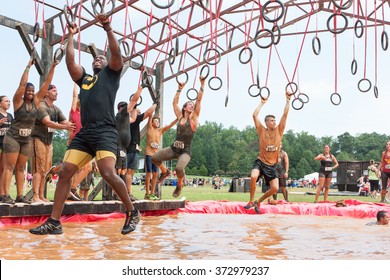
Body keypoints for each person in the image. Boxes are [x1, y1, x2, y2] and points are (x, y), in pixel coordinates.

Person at [29, 13, 140, 235]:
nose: (98, 58)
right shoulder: (86, 79)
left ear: (108, 63)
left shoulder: (112, 74)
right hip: (85, 134)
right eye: (95, 58)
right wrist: (70, 36)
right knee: (65, 173)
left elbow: (116, 54)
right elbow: (70, 63)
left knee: (108, 172)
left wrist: (108, 27)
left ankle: (132, 211)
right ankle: (54, 222)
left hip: (105, 132)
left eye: (102, 57)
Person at [1, 58, 57, 205]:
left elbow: (45, 86)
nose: (31, 93)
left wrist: (53, 67)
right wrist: (28, 67)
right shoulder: (17, 101)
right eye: (29, 91)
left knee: (21, 169)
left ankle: (20, 195)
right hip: (13, 137)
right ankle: (5, 195)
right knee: (10, 167)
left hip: (26, 139)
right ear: (24, 92)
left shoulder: (37, 102)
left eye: (32, 91)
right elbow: (21, 85)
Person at [152, 76, 206, 198]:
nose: (192, 106)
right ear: (185, 108)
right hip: (173, 149)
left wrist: (202, 85)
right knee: (154, 158)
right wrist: (179, 89)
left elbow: (199, 101)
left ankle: (179, 185)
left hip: (185, 152)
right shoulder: (180, 116)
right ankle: (165, 172)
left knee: (179, 169)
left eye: (193, 105)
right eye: (190, 105)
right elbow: (174, 103)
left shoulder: (194, 118)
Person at [243, 91, 291, 213]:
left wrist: (288, 99)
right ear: (266, 122)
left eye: (275, 120)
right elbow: (254, 115)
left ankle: (258, 202)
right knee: (253, 176)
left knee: (275, 188)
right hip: (261, 162)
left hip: (272, 166)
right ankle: (251, 200)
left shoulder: (279, 130)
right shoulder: (261, 130)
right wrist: (262, 103)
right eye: (272, 121)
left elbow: (285, 114)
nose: (275, 122)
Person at [30, 84, 75, 202]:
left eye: (57, 91)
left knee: (46, 170)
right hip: (38, 139)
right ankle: (35, 196)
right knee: (38, 169)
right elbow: (48, 122)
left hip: (48, 142)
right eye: (54, 91)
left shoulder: (56, 109)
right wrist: (65, 127)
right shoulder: (41, 106)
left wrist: (74, 124)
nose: (56, 93)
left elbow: (66, 122)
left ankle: (41, 196)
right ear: (46, 93)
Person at [126, 102, 157, 201]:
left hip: (132, 149)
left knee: (128, 172)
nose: (139, 113)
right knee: (128, 172)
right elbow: (148, 112)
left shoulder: (125, 120)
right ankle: (127, 193)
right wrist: (156, 102)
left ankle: (127, 192)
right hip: (130, 149)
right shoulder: (133, 120)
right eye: (137, 111)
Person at [115, 87, 143, 194]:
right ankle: (117, 193)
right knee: (118, 171)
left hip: (123, 148)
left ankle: (121, 193)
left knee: (123, 171)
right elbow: (133, 101)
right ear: (121, 108)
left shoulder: (125, 118)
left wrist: (135, 108)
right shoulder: (120, 115)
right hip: (119, 147)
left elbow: (134, 118)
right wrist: (140, 90)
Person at [144, 115, 177, 200]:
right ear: (151, 123)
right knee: (149, 173)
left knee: (155, 174)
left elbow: (170, 125)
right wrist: (151, 112)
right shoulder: (150, 128)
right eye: (155, 121)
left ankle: (152, 192)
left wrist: (177, 118)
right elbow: (150, 116)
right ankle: (147, 193)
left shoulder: (160, 130)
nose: (157, 123)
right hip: (149, 153)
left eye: (158, 122)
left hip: (156, 155)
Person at [0, 96, 13, 202]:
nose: (8, 103)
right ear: (0, 103)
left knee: (4, 169)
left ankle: (3, 194)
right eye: (6, 101)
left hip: (6, 145)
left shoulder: (10, 116)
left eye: (9, 101)